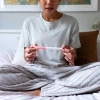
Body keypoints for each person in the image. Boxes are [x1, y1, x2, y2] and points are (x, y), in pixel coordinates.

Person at [16, 0, 81, 96]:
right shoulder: (29, 23)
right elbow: (26, 55)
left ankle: (42, 90)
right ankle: (57, 88)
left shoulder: (72, 22)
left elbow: (75, 55)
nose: (49, 2)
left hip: (63, 72)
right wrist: (28, 56)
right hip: (35, 72)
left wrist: (72, 56)